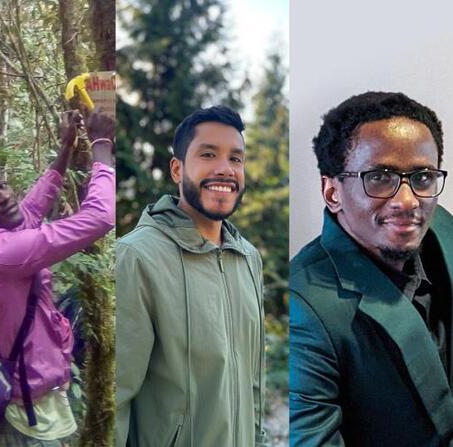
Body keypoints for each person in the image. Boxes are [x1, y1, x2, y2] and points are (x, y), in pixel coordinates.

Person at [290, 91, 453, 445]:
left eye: (422, 177)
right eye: (380, 177)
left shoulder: (443, 228)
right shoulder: (302, 307)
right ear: (332, 193)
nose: (408, 201)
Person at [0, 109, 115, 444]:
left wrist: (65, 148)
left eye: (2, 185)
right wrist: (102, 146)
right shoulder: (0, 253)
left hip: (30, 401)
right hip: (24, 418)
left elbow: (32, 209)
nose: (5, 196)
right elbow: (101, 217)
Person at [115, 106, 266, 447]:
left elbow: (253, 381)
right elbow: (116, 397)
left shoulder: (248, 258)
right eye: (208, 154)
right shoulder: (136, 257)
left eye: (236, 159)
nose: (225, 169)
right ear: (177, 168)